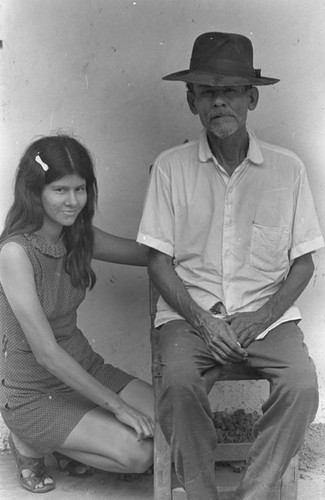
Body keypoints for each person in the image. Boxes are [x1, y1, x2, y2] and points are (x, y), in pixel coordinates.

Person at [137, 32, 324, 500]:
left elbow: (304, 263)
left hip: (266, 317)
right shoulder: (170, 168)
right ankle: (202, 494)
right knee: (178, 385)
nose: (219, 102)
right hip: (189, 315)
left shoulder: (288, 169)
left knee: (302, 387)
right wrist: (202, 321)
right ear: (191, 101)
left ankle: (254, 494)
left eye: (231, 91)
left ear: (251, 97)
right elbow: (157, 260)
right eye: (207, 92)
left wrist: (260, 317)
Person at [0, 135, 154, 493]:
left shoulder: (78, 235)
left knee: (173, 420)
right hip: (33, 389)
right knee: (139, 454)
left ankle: (74, 439)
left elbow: (147, 255)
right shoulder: (14, 253)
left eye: (80, 189)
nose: (72, 201)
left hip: (83, 368)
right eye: (59, 190)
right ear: (34, 190)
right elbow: (46, 353)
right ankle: (29, 441)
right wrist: (118, 408)